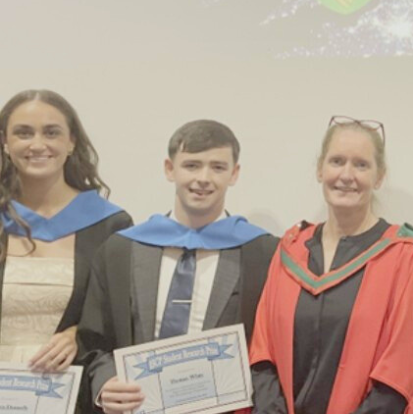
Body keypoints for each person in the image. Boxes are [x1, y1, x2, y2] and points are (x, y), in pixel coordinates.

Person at [78, 119, 278, 414]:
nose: (204, 178)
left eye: (218, 167)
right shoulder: (121, 251)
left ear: (234, 174)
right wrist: (105, 382)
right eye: (192, 165)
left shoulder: (261, 253)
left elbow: (271, 347)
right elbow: (93, 338)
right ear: (169, 169)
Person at [249, 116, 413, 414]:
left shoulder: (405, 255)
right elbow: (262, 352)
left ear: (379, 176)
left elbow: (401, 370)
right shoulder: (290, 250)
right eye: (337, 161)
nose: (347, 175)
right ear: (320, 169)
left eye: (361, 165)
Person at [0, 89, 131, 375]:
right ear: (5, 143)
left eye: (51, 133)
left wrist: (78, 334)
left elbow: (119, 315)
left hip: (70, 387)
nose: (37, 144)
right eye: (23, 133)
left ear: (71, 141)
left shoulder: (110, 226)